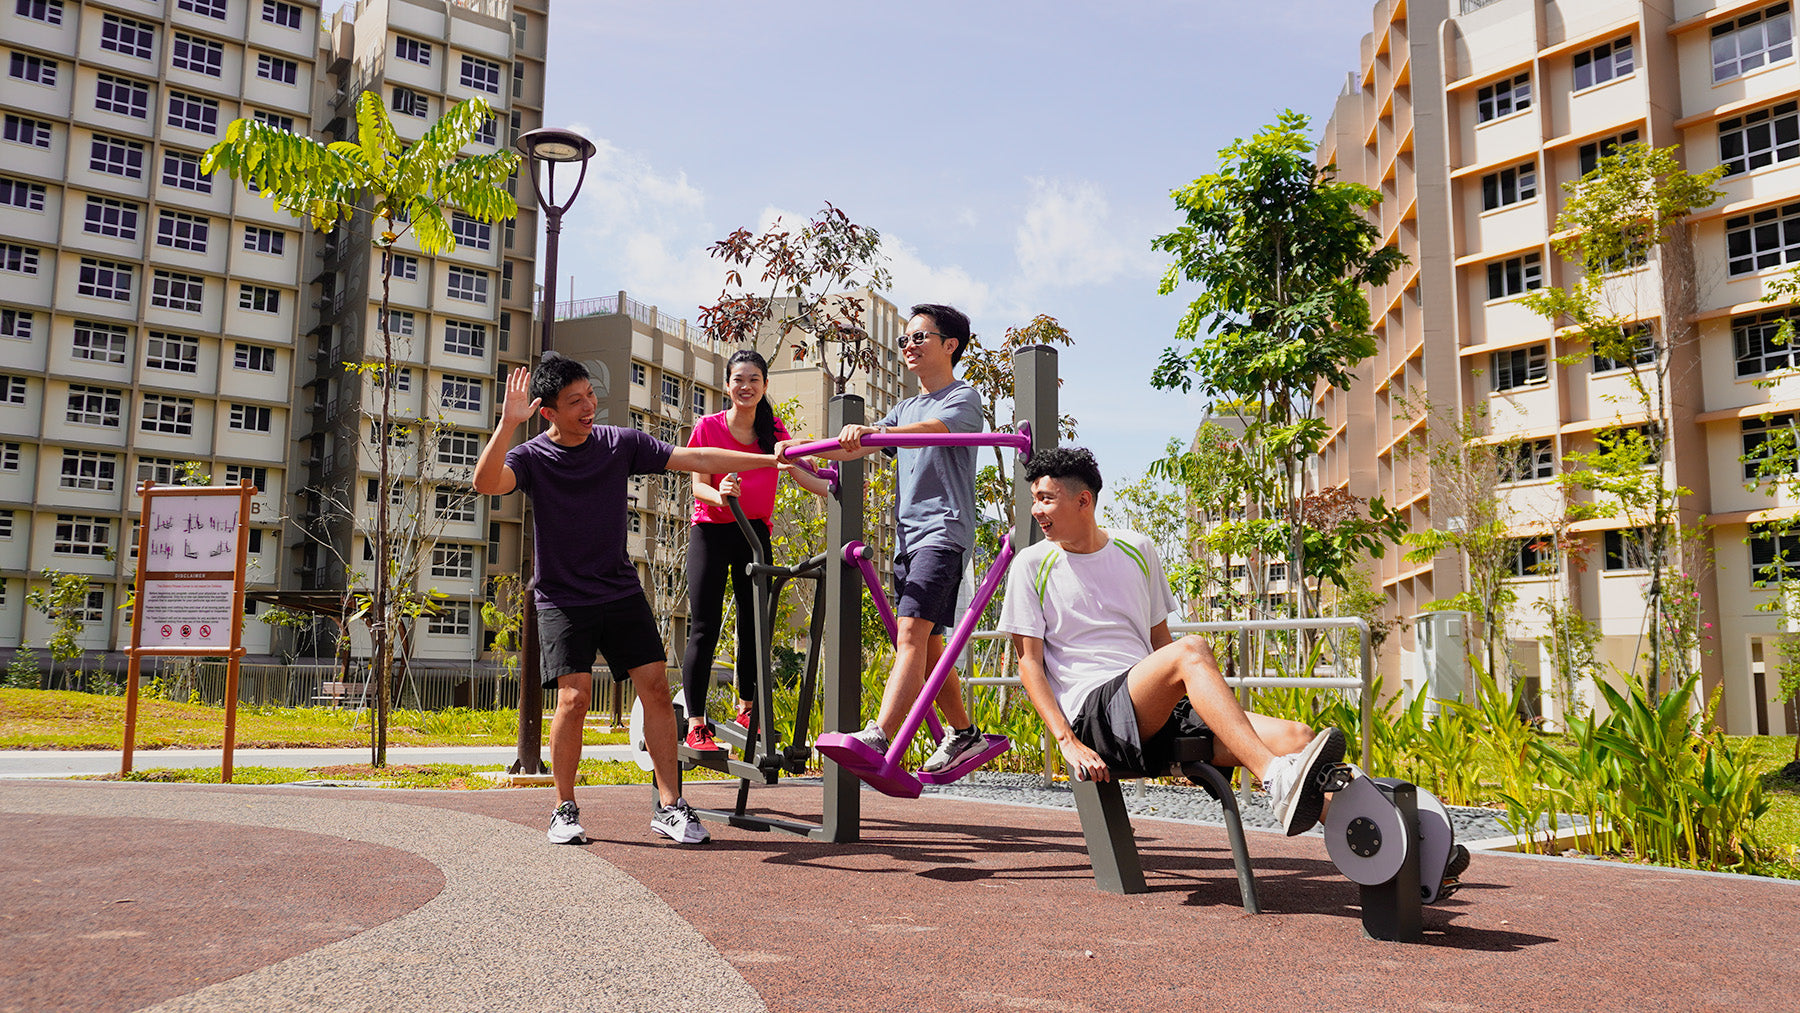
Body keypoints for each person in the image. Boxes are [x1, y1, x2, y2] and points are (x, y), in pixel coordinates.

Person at [473, 353, 779, 847]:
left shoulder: (620, 443)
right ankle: (564, 809)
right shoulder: (532, 457)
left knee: (656, 689)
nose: (589, 406)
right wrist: (508, 424)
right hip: (563, 597)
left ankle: (672, 806)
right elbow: (486, 484)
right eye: (575, 402)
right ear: (547, 412)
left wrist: (772, 458)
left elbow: (696, 459)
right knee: (574, 699)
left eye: (590, 395)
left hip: (619, 589)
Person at [997, 447, 1345, 836]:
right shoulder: (1030, 565)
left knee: (1297, 737)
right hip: (1095, 715)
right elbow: (1029, 663)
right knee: (1191, 649)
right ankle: (1272, 777)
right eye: (1034, 501)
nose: (1036, 511)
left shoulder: (1137, 549)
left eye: (1046, 499)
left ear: (1083, 500)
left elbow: (1159, 639)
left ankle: (1374, 840)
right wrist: (1066, 741)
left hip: (1154, 707)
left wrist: (1198, 702)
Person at [776, 303, 990, 774]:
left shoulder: (962, 398)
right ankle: (964, 733)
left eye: (919, 338)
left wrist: (878, 430)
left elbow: (931, 432)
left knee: (912, 635)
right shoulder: (906, 407)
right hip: (908, 537)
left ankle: (878, 734)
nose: (909, 347)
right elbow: (853, 454)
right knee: (928, 645)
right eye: (905, 341)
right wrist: (800, 454)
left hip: (943, 529)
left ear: (949, 345)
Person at [680, 349, 828, 753]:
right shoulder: (708, 427)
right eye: (738, 379)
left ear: (764, 386)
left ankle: (747, 708)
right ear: (728, 385)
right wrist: (721, 493)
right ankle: (696, 724)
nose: (746, 387)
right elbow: (697, 486)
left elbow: (799, 473)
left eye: (754, 380)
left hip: (754, 534)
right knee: (704, 626)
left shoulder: (773, 431)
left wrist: (838, 491)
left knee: (754, 625)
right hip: (711, 531)